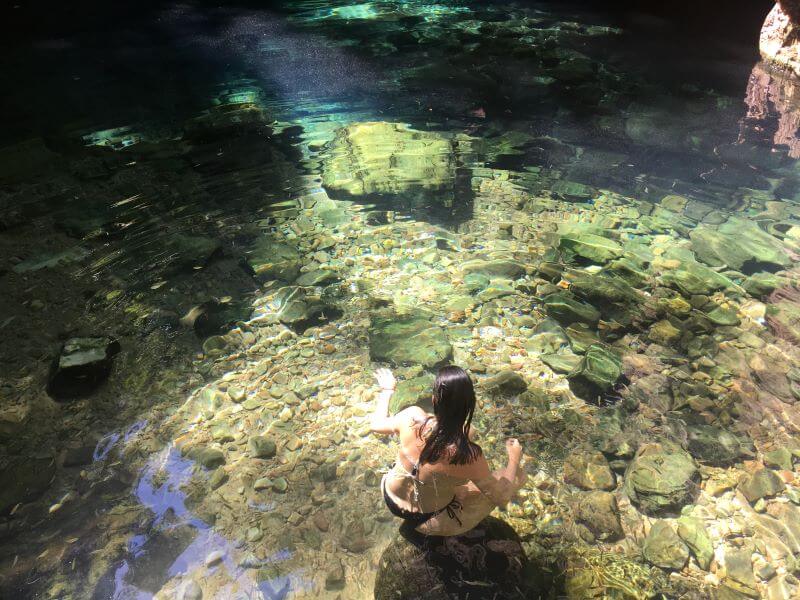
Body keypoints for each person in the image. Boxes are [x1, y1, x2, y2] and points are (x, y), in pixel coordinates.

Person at [370, 365, 527, 536]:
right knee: (516, 477)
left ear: (434, 400)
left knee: (468, 434)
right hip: (425, 516)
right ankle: (426, 531)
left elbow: (376, 424)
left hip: (389, 495)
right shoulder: (470, 457)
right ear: (469, 406)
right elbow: (500, 498)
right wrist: (514, 459)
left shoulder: (411, 417)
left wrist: (387, 390)